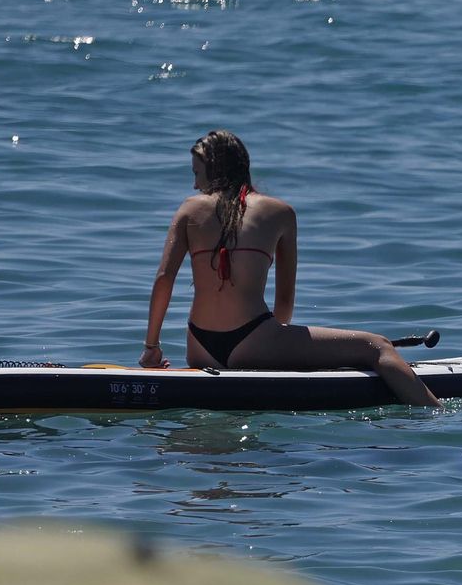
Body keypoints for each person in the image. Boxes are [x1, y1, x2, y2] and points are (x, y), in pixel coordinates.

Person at [140, 130, 441, 407]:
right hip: (255, 341)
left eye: (196, 173)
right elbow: (284, 303)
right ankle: (437, 415)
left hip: (198, 346)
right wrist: (274, 347)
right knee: (377, 346)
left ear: (215, 169)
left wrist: (152, 348)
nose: (194, 184)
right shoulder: (280, 212)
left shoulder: (188, 209)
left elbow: (164, 279)